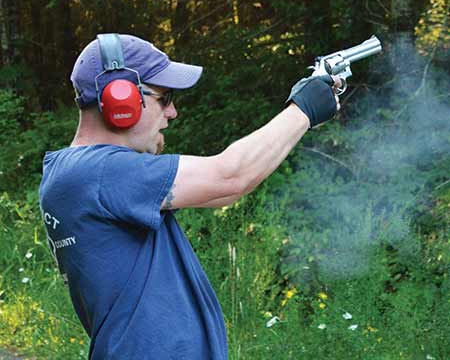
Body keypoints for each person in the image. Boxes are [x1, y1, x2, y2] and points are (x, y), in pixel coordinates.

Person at [38, 33, 340, 359]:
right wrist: (303, 109)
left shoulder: (75, 174)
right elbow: (231, 176)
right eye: (164, 98)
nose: (173, 113)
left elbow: (224, 192)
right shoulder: (98, 172)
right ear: (119, 99)